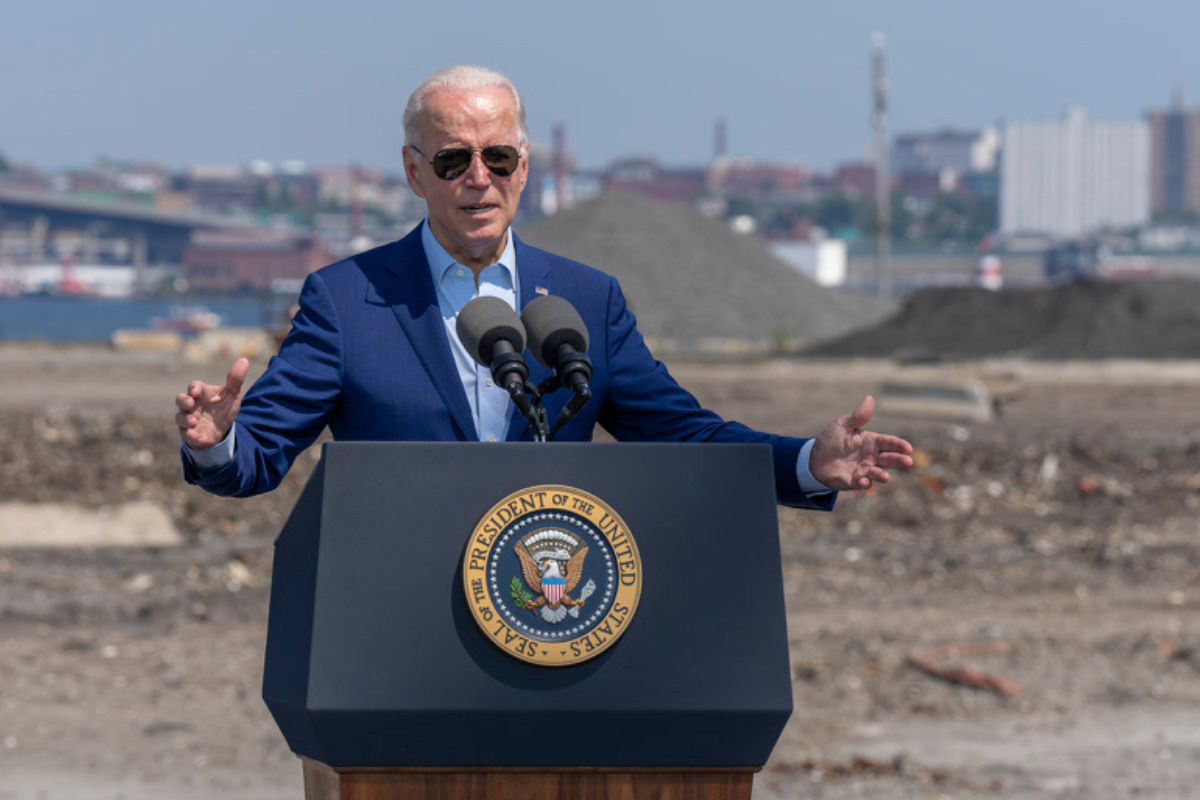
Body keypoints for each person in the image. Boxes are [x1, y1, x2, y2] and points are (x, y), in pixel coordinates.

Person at [176, 65, 912, 505]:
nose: (478, 179)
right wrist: (217, 442)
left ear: (524, 167)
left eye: (498, 157)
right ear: (411, 172)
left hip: (553, 617)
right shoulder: (346, 300)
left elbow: (682, 435)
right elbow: (259, 454)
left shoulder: (588, 301)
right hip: (396, 628)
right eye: (452, 161)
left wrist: (804, 464)